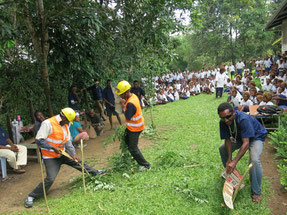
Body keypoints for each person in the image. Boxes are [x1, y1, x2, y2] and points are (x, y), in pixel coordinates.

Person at [25, 107, 105, 208]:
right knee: (50, 178)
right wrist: (53, 148)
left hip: (62, 153)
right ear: (62, 117)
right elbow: (39, 140)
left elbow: (68, 143)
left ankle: (95, 173)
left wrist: (74, 155)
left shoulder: (66, 125)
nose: (68, 123)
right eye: (67, 121)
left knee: (78, 162)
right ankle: (31, 196)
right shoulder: (48, 123)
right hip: (50, 157)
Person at [218, 103, 267, 203]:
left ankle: (256, 192)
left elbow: (246, 143)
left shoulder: (243, 119)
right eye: (223, 118)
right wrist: (229, 160)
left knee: (254, 160)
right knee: (222, 148)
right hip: (241, 137)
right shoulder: (223, 121)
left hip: (256, 137)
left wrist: (234, 161)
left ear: (234, 112)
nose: (226, 120)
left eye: (228, 117)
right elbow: (227, 140)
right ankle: (234, 178)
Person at [115, 80, 150, 170]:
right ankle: (133, 155)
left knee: (133, 148)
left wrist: (123, 106)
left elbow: (127, 117)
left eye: (122, 94)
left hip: (135, 128)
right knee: (127, 140)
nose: (120, 96)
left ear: (127, 92)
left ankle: (146, 165)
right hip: (133, 126)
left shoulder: (130, 104)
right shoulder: (133, 96)